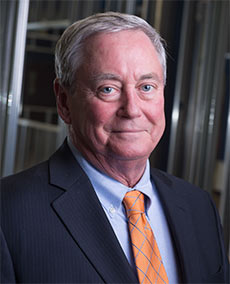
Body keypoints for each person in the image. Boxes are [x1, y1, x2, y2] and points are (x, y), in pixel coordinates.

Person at [1, 12, 229, 284]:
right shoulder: (8, 214)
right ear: (63, 102)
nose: (132, 109)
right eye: (108, 89)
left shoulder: (198, 206)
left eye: (146, 86)